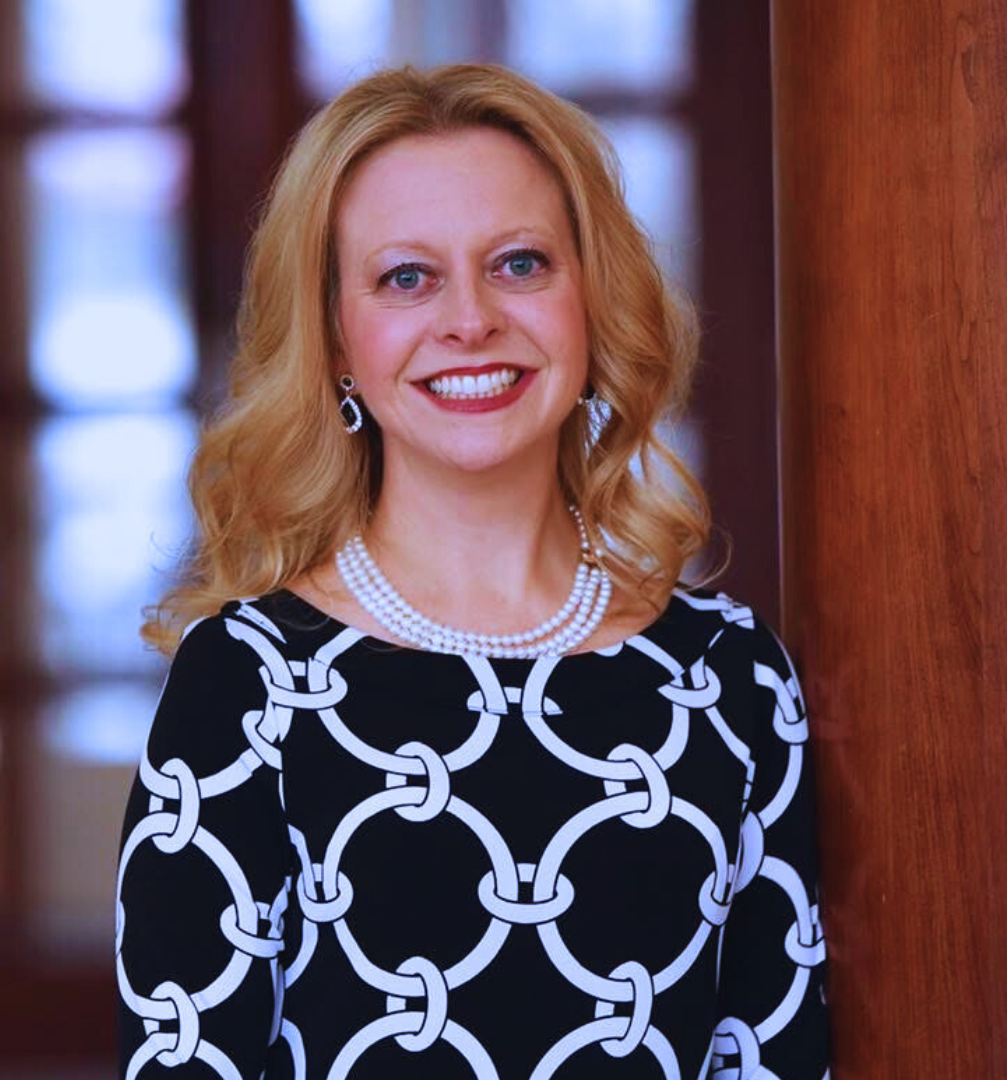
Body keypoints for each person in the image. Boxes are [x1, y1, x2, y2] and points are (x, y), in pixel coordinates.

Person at [116, 64, 829, 1079]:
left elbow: (775, 1059)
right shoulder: (247, 688)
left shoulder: (733, 682)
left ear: (594, 299)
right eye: (407, 277)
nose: (469, 320)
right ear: (336, 343)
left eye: (521, 264)